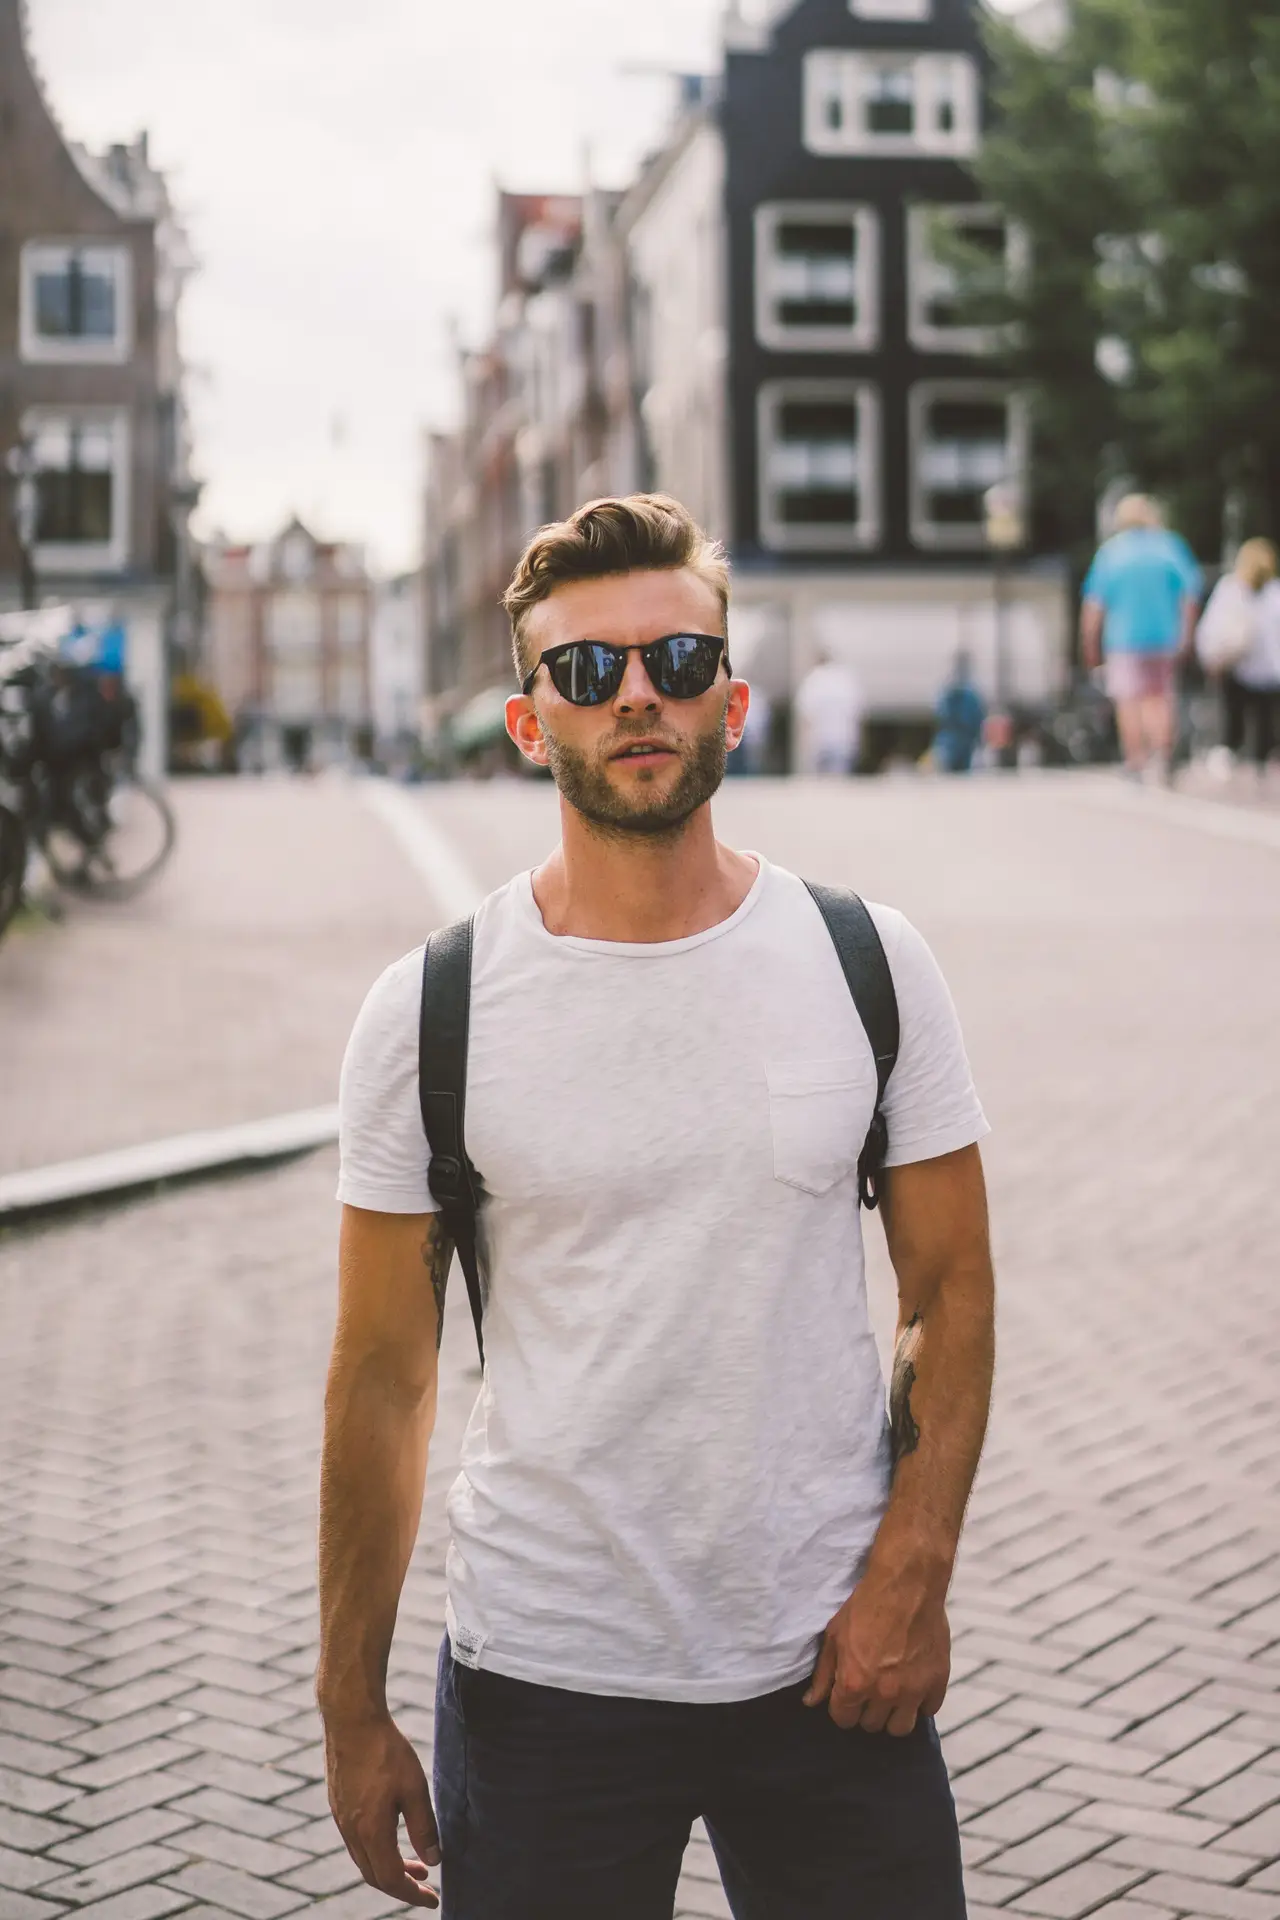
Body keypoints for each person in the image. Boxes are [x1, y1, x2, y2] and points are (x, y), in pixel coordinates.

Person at [318, 494, 995, 1920]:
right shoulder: (429, 1011)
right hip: (542, 1676)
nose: (637, 694)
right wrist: (348, 1702)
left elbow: (952, 1291)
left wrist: (911, 1578)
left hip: (835, 1661)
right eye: (586, 670)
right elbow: (384, 1377)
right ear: (527, 723)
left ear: (732, 704)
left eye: (678, 663)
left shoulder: (867, 961)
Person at [1080, 493, 1203, 780]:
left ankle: (1136, 760)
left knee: (1129, 699)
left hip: (1123, 639)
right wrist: (1187, 634)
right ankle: (1163, 754)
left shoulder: (1112, 552)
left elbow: (1094, 605)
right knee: (1160, 698)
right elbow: (1190, 597)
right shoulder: (1170, 546)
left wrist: (1089, 644)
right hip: (1164, 637)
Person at [1197, 538, 1279, 780]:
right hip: (1269, 671)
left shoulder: (1231, 589)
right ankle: (1260, 767)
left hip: (1239, 667)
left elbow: (1212, 629)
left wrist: (1210, 656)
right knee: (1265, 722)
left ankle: (1232, 758)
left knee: (1234, 718)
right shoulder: (1274, 593)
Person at [794, 647, 864, 775]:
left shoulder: (813, 679)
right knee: (839, 782)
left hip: (820, 739)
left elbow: (806, 714)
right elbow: (857, 711)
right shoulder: (845, 679)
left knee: (820, 786)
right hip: (843, 739)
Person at [933, 652, 987, 774]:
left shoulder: (971, 693)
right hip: (952, 739)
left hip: (967, 741)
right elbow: (942, 715)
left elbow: (977, 718)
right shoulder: (948, 691)